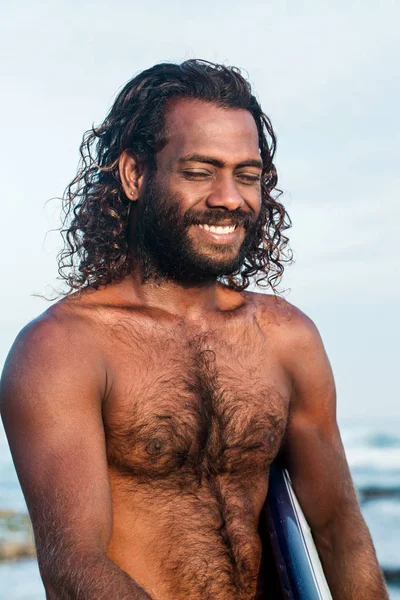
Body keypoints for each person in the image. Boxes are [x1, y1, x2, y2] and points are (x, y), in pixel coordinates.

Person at [0, 60, 387, 600]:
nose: (230, 198)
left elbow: (340, 531)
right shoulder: (62, 350)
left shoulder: (285, 337)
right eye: (201, 171)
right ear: (135, 175)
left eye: (246, 175)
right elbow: (75, 570)